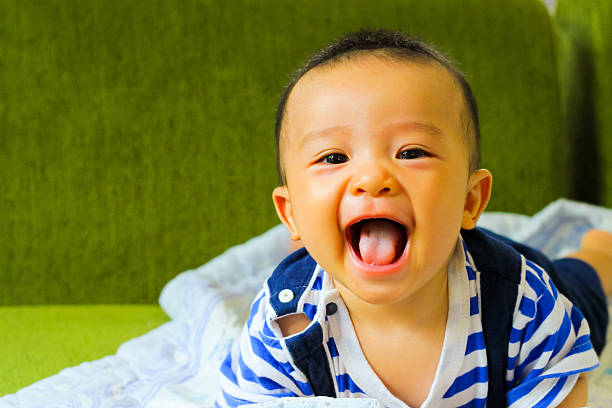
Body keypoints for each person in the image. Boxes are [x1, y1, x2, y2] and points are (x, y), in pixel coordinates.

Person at [215, 29, 611, 408]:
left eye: (411, 152)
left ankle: (597, 254)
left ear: (470, 200)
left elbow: (563, 379)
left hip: (502, 274)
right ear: (292, 215)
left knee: (582, 292)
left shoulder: (521, 300)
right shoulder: (285, 322)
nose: (372, 178)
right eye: (333, 158)